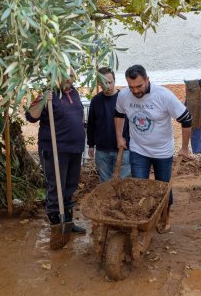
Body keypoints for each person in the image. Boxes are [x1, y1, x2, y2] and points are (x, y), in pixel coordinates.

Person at [114, 65, 192, 230]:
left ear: (147, 79)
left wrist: (184, 147)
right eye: (131, 87)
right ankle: (143, 219)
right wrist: (119, 137)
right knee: (139, 188)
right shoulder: (123, 95)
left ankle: (165, 217)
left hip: (162, 152)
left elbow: (186, 119)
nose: (135, 91)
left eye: (139, 86)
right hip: (138, 150)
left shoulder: (163, 96)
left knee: (163, 188)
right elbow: (119, 114)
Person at [25, 77, 86, 250]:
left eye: (73, 76)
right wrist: (44, 100)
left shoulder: (73, 92)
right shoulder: (47, 93)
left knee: (69, 186)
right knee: (55, 187)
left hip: (74, 149)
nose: (71, 80)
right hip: (54, 150)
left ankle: (67, 223)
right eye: (67, 76)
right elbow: (31, 116)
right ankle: (56, 228)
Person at [87, 68, 131, 182]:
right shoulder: (96, 101)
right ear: (99, 83)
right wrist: (91, 144)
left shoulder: (124, 98)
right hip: (102, 150)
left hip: (123, 149)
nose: (108, 86)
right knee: (104, 184)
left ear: (115, 81)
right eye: (104, 83)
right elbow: (91, 124)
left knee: (123, 183)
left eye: (110, 82)